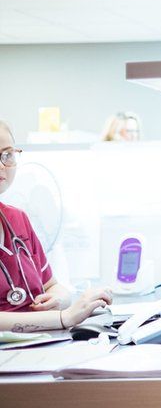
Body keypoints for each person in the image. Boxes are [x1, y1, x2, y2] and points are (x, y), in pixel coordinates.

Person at [0, 120, 113, 331]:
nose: (2, 165)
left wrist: (59, 300)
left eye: (7, 155)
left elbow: (52, 285)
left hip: (36, 344)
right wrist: (63, 317)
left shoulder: (17, 219)